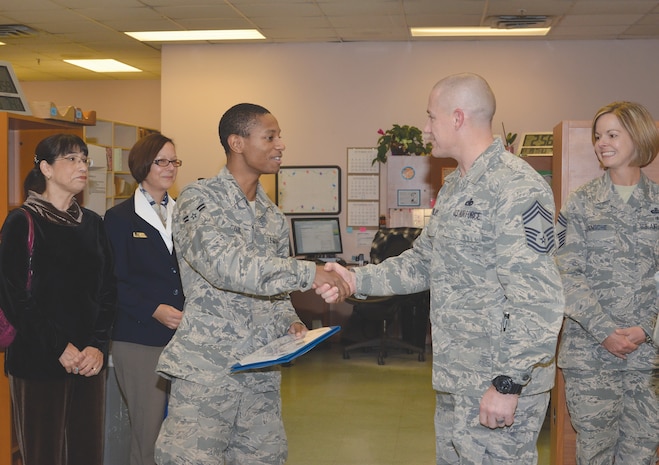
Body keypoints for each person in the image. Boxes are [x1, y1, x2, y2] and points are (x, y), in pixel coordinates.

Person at [321, 73, 564, 465]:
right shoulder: (455, 187)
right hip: (459, 377)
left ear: (457, 117)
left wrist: (508, 383)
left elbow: (540, 299)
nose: (426, 128)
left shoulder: (516, 187)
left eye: (431, 117)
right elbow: (423, 263)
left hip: (497, 380)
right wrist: (355, 279)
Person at [154, 103, 350, 465]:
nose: (281, 145)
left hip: (258, 373)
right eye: (270, 137)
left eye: (280, 136)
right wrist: (309, 273)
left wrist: (288, 320)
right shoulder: (200, 201)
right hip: (207, 373)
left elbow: (273, 290)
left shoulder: (271, 215)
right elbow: (225, 267)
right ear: (237, 143)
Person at [0, 133, 117, 465]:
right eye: (72, 159)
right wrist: (58, 347)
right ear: (46, 169)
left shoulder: (93, 224)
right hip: (38, 358)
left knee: (86, 452)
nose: (82, 166)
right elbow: (13, 296)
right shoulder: (22, 221)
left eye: (84, 159)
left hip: (89, 361)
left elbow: (109, 290)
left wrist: (97, 344)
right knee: (43, 453)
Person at [555, 101, 659, 464]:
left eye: (613, 134)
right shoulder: (581, 204)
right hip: (591, 356)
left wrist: (647, 329)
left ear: (639, 137)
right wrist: (605, 332)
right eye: (598, 136)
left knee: (642, 454)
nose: (602, 143)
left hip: (650, 358)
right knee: (594, 453)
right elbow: (567, 275)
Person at [103, 133, 184, 465]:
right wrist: (154, 309)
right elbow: (112, 282)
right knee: (148, 432)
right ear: (142, 164)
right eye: (161, 161)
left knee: (182, 431)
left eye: (174, 161)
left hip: (183, 337)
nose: (169, 168)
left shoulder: (185, 215)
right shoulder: (119, 218)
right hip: (139, 338)